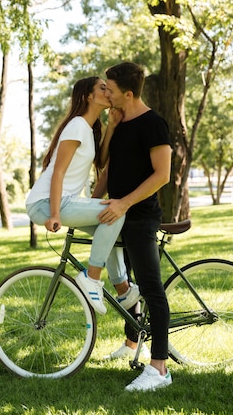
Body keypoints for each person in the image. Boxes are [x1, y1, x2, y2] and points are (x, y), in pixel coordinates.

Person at [26, 76, 141, 315]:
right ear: (88, 96)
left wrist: (111, 127)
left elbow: (99, 161)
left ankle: (123, 290)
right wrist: (55, 214)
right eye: (102, 88)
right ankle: (92, 277)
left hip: (62, 200)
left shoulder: (88, 129)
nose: (108, 91)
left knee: (108, 229)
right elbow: (57, 173)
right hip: (46, 202)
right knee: (115, 211)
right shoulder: (77, 125)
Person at [96, 62, 173, 391]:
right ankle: (131, 344)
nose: (105, 93)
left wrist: (125, 202)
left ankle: (159, 370)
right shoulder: (120, 121)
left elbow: (162, 174)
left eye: (110, 90)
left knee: (151, 288)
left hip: (140, 216)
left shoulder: (153, 124)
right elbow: (106, 170)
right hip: (117, 213)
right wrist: (88, 202)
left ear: (128, 93)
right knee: (124, 283)